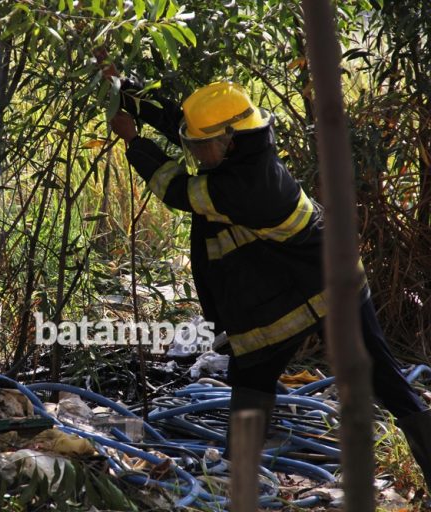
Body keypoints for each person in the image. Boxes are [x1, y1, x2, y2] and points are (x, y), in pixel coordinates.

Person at [108, 79, 431, 486]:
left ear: (228, 141)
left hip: (329, 284)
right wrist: (127, 92)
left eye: (199, 147)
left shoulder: (245, 186)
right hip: (285, 284)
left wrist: (134, 141)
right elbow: (181, 121)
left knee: (383, 380)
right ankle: (233, 478)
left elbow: (177, 190)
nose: (193, 153)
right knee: (251, 375)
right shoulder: (239, 150)